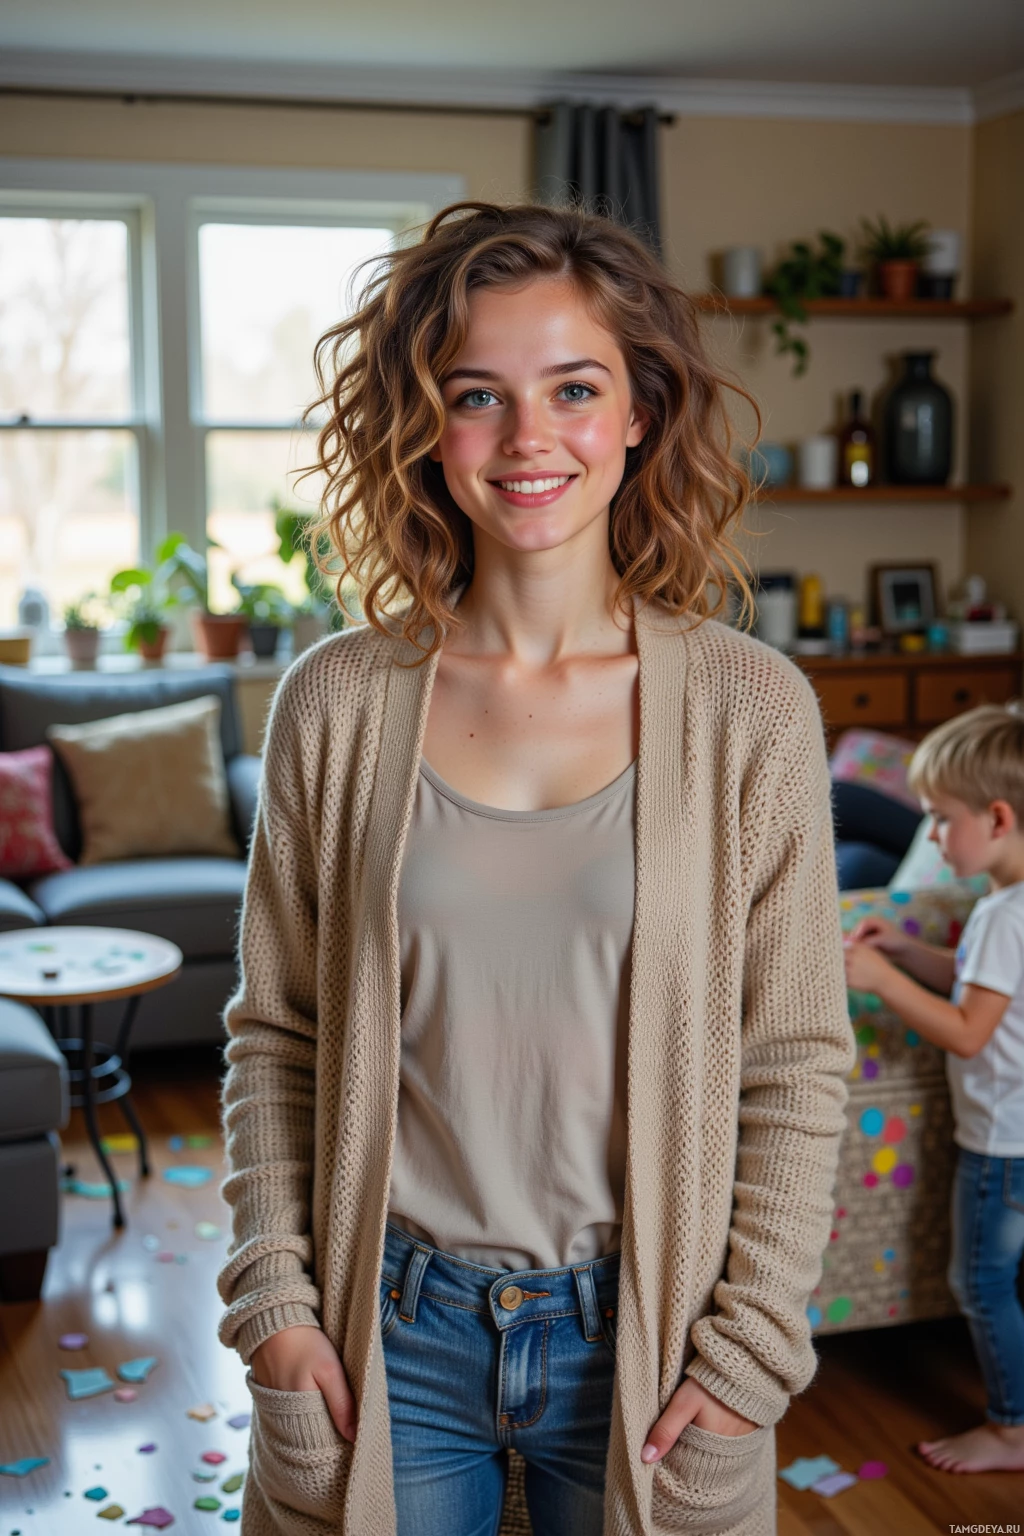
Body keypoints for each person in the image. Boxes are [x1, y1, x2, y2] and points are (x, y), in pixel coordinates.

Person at [217, 201, 854, 1536]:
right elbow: (278, 1036)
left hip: (652, 1339)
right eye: (476, 396)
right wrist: (276, 1301)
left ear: (640, 413)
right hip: (388, 1333)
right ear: (423, 425)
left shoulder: (753, 711)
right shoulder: (333, 703)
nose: (527, 438)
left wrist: (745, 1357)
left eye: (573, 388)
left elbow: (794, 1061)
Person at [843, 702, 1024, 1475]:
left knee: (980, 1283)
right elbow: (984, 986)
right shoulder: (1008, 909)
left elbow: (968, 1030)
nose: (934, 834)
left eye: (942, 819)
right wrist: (911, 953)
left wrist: (882, 982)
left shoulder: (1003, 916)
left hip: (1002, 1144)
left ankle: (1013, 1429)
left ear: (998, 818)